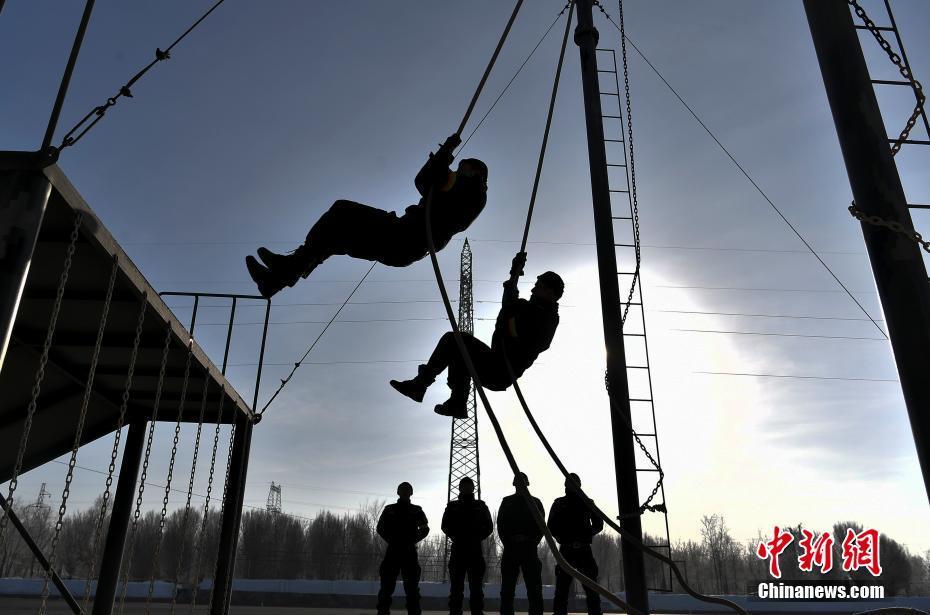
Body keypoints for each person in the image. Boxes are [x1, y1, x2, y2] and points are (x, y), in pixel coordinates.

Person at [245, 134, 488, 297]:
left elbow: (430, 186)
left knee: (341, 212)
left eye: (462, 166)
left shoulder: (472, 193)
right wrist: (445, 153)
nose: (456, 170)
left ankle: (285, 271)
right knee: (333, 236)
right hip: (403, 235)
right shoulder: (458, 187)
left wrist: (445, 156)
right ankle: (277, 278)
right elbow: (423, 181)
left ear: (474, 171)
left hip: (406, 238)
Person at [389, 255, 562, 419]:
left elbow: (512, 309)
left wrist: (514, 278)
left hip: (500, 370)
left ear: (549, 292)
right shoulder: (529, 308)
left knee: (454, 340)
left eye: (538, 286)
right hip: (496, 362)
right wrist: (514, 273)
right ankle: (456, 402)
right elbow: (510, 302)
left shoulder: (546, 319)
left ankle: (422, 386)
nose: (532, 289)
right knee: (461, 351)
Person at [547, 474, 604, 615]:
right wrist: (562, 538)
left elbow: (598, 524)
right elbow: (551, 526)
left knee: (589, 587)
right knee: (563, 588)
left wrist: (586, 535)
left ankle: (595, 613)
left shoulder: (586, 503)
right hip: (569, 549)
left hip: (580, 549)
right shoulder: (560, 503)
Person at [376, 482, 430, 615]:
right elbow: (380, 528)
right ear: (398, 492)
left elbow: (425, 529)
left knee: (412, 589)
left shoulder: (417, 510)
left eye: (407, 490)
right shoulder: (389, 509)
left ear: (411, 492)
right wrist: (392, 540)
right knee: (386, 588)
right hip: (393, 552)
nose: (405, 492)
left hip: (409, 553)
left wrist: (412, 540)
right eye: (402, 490)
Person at [441, 477, 493, 615]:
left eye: (468, 485)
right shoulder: (452, 506)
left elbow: (489, 526)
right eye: (463, 485)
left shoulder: (481, 506)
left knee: (476, 588)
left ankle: (477, 612)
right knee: (456, 588)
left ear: (473, 488)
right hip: (458, 551)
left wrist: (476, 538)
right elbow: (445, 525)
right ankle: (455, 612)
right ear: (459, 488)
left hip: (475, 551)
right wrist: (454, 536)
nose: (466, 488)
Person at [497, 473, 545, 615]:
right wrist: (509, 542)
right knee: (507, 589)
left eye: (522, 482)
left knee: (534, 589)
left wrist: (532, 541)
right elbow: (500, 525)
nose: (520, 485)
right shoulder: (507, 501)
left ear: (527, 484)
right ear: (514, 484)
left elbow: (542, 525)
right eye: (518, 483)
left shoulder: (536, 502)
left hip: (529, 549)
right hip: (511, 549)